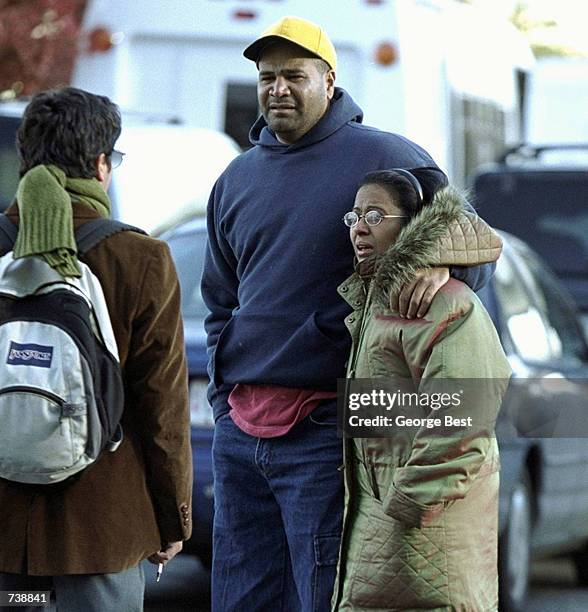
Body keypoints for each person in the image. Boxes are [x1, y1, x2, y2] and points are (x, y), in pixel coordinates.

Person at [202, 16, 497, 611]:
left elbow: (476, 242)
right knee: (240, 601)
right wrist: (220, 399)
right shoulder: (237, 177)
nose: (277, 89)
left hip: (327, 429)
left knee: (327, 598)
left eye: (294, 75)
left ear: (329, 80)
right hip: (239, 434)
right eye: (266, 78)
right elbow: (219, 299)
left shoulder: (385, 155)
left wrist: (439, 261)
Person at [0, 87, 192, 612]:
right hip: (102, 534)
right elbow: (162, 408)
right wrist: (172, 517)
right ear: (101, 163)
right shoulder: (141, 258)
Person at [332, 169, 511, 610]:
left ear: (414, 224)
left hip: (426, 531)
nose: (359, 227)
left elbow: (461, 422)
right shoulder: (375, 301)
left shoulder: (448, 304)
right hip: (383, 529)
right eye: (354, 216)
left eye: (375, 215)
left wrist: (408, 504)